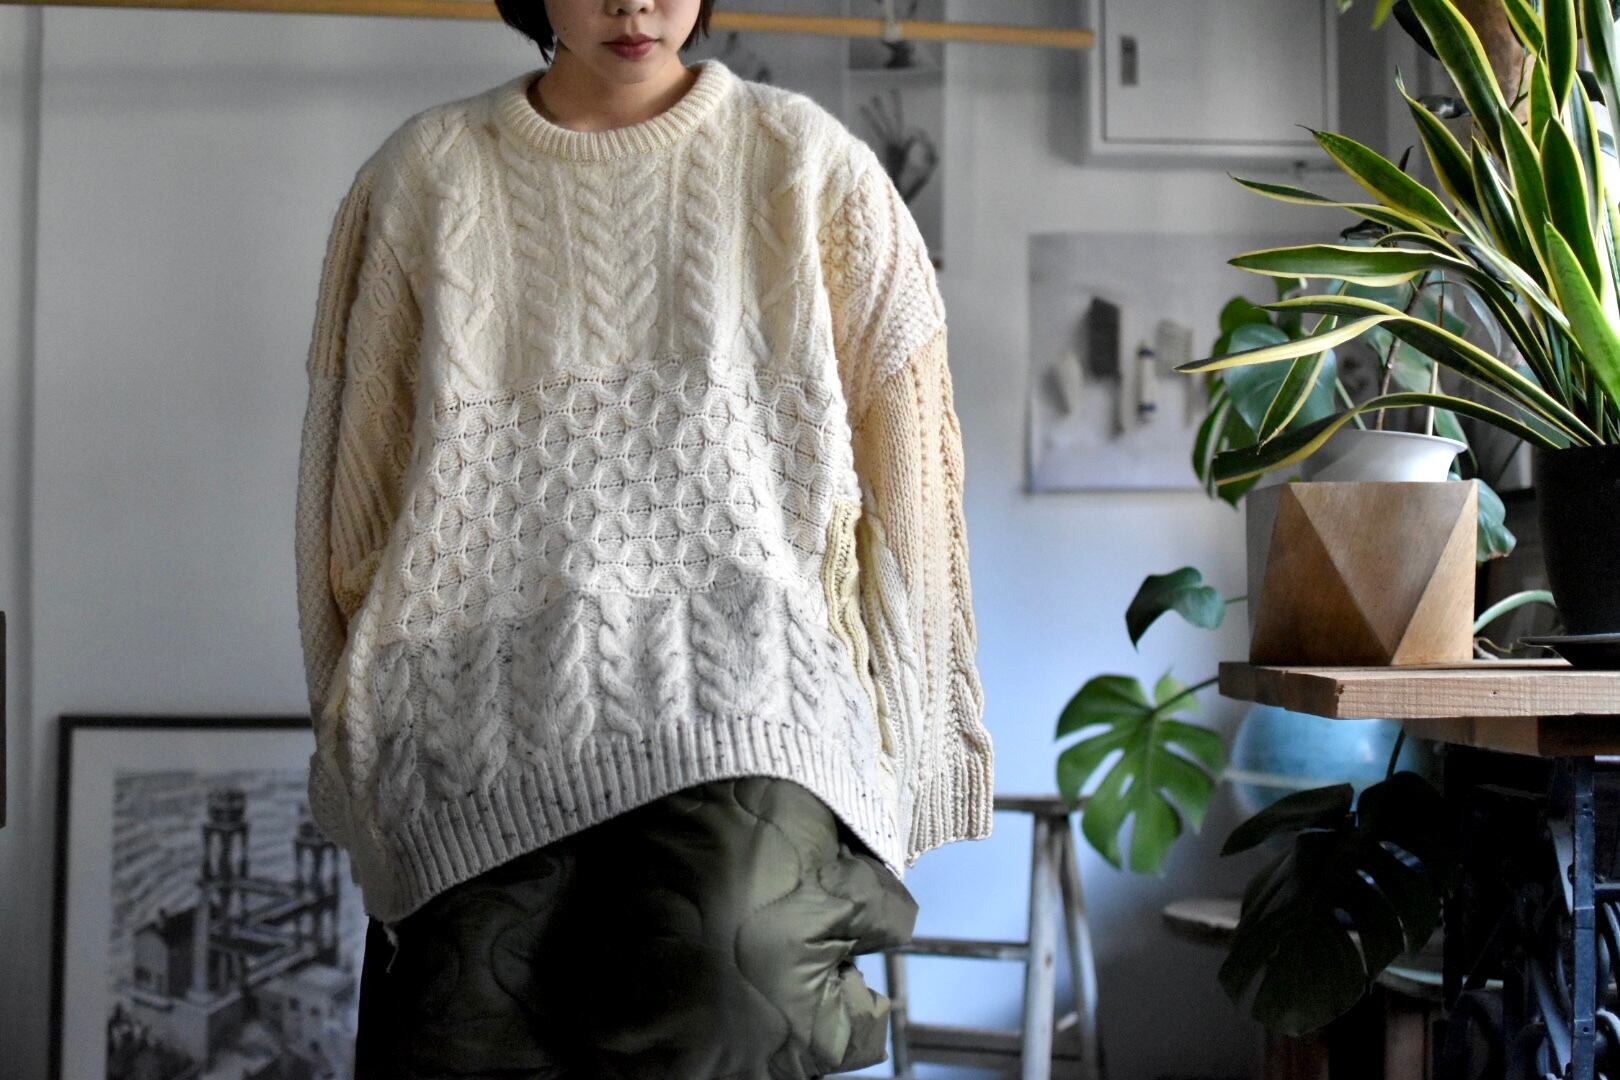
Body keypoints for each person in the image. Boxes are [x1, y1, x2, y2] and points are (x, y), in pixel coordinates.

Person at [291, 0, 994, 1075]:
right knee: (467, 1024)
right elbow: (353, 490)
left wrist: (919, 745)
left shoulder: (805, 162)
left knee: (738, 981)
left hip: (752, 692)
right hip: (473, 703)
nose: (634, 2)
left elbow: (914, 482)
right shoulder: (424, 174)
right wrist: (352, 725)